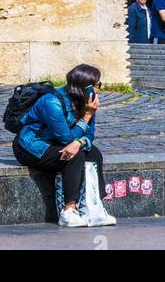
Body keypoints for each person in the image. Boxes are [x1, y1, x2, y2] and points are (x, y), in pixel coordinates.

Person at [12, 64, 117, 228]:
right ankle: (69, 210)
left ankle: (95, 207)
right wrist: (87, 116)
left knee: (94, 153)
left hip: (58, 143)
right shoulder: (52, 102)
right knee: (75, 155)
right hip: (31, 147)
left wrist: (80, 141)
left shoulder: (86, 101)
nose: (99, 90)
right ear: (86, 87)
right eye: (98, 85)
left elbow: (89, 135)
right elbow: (65, 139)